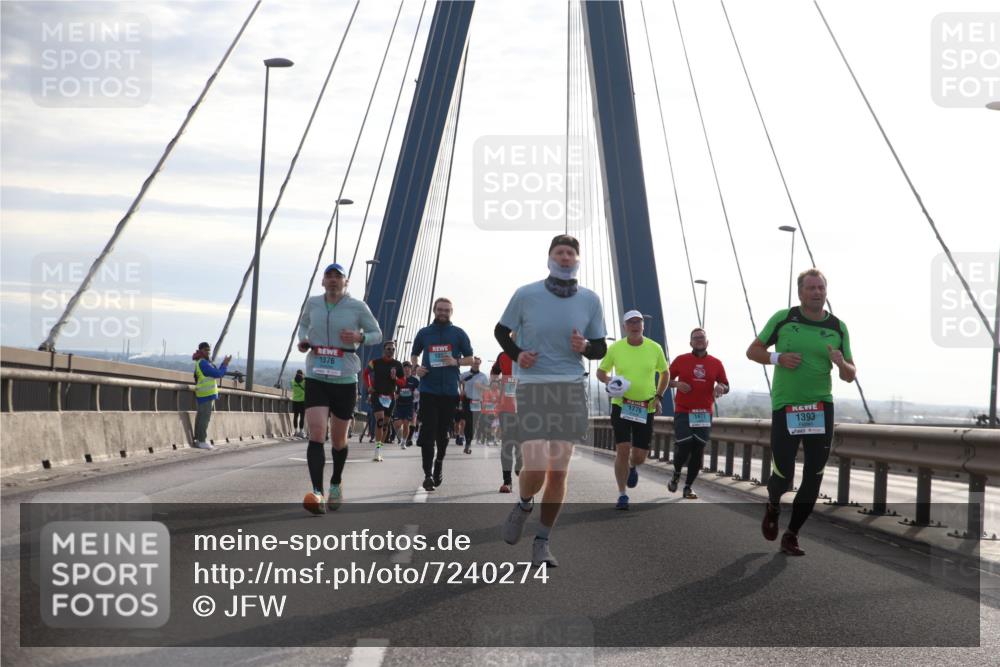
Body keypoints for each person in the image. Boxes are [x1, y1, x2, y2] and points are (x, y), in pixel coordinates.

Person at [496, 234, 607, 567]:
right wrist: (518, 354)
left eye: (571, 253)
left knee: (558, 472)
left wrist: (585, 347)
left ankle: (542, 541)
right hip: (532, 386)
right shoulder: (526, 294)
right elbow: (501, 331)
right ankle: (525, 502)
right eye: (559, 252)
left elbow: (600, 348)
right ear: (550, 258)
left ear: (577, 260)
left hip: (571, 388)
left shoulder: (590, 300)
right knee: (536, 466)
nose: (565, 257)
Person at [747, 268, 856, 556]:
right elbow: (752, 351)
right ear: (800, 293)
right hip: (787, 407)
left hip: (821, 407)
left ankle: (792, 534)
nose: (817, 292)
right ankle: (772, 505)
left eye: (821, 287)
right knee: (783, 475)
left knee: (814, 475)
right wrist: (777, 357)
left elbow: (850, 374)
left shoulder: (837, 326)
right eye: (811, 288)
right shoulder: (784, 319)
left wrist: (840, 362)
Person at [298, 262, 382, 514]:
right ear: (322, 281)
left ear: (346, 282)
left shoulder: (357, 307)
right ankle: (318, 492)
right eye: (329, 276)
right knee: (316, 431)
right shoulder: (312, 303)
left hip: (344, 377)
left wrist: (360, 338)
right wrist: (303, 340)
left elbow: (376, 333)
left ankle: (335, 482)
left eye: (338, 277)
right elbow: (303, 325)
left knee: (338, 440)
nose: (333, 280)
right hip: (316, 375)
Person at [596, 310, 669, 510]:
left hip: (646, 407)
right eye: (631, 322)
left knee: (639, 455)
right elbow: (601, 371)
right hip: (622, 404)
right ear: (624, 327)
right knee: (622, 449)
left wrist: (659, 396)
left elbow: (665, 373)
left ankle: (633, 466)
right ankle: (622, 494)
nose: (635, 325)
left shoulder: (655, 348)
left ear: (643, 326)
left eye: (638, 321)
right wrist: (610, 380)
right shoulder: (615, 348)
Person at [410, 298, 474, 492]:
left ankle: (438, 463)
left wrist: (456, 361)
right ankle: (427, 474)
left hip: (449, 392)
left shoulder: (458, 334)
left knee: (443, 434)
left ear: (451, 312)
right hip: (428, 390)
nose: (443, 313)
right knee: (428, 431)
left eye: (446, 310)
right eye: (440, 309)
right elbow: (414, 354)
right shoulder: (424, 333)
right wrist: (416, 368)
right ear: (434, 310)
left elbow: (470, 358)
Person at [667, 327, 729, 499]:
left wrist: (721, 387)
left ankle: (688, 487)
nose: (699, 340)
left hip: (704, 413)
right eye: (696, 338)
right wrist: (677, 385)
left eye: (702, 337)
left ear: (707, 341)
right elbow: (664, 380)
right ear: (690, 342)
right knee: (685, 445)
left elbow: (726, 384)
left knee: (698, 450)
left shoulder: (716, 363)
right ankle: (677, 472)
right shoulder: (681, 360)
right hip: (683, 411)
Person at [363, 341, 404, 461]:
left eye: (392, 349)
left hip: (390, 398)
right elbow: (366, 374)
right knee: (380, 421)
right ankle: (376, 450)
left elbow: (403, 382)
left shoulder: (398, 365)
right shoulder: (375, 362)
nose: (390, 351)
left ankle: (380, 448)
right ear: (384, 349)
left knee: (385, 425)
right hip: (377, 395)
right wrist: (369, 385)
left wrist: (395, 379)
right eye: (388, 349)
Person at [192, 341, 231, 450]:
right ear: (200, 351)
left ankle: (199, 439)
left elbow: (215, 372)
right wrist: (225, 365)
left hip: (205, 394)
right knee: (204, 418)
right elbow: (218, 374)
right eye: (206, 350)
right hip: (206, 395)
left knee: (201, 417)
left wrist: (222, 365)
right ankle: (202, 441)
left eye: (209, 350)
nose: (208, 352)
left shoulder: (203, 362)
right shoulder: (203, 363)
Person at [491, 351, 521, 491]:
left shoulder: (534, 351)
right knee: (507, 442)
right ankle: (507, 481)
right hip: (507, 406)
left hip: (528, 407)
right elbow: (495, 371)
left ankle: (520, 463)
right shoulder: (503, 355)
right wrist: (495, 384)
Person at [460, 357, 489, 454]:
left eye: (477, 363)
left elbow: (488, 389)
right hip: (467, 401)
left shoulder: (483, 376)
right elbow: (458, 381)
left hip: (477, 402)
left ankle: (469, 441)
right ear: (471, 364)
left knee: (473, 423)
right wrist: (461, 390)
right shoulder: (465, 374)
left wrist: (481, 386)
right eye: (474, 363)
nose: (476, 365)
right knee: (468, 421)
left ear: (479, 364)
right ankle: (467, 443)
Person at [393, 362, 420, 448]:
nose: (407, 369)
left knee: (406, 423)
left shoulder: (415, 381)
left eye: (408, 367)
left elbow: (419, 392)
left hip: (409, 405)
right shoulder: (398, 380)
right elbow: (395, 390)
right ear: (402, 369)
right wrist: (395, 395)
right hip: (399, 405)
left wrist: (416, 393)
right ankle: (401, 437)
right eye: (405, 368)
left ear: (411, 369)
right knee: (397, 424)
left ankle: (404, 442)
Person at [290, 370, 306, 438]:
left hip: (295, 401)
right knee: (302, 416)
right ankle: (301, 431)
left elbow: (292, 388)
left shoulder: (292, 381)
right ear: (302, 374)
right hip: (302, 401)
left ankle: (295, 431)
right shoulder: (304, 382)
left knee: (295, 416)